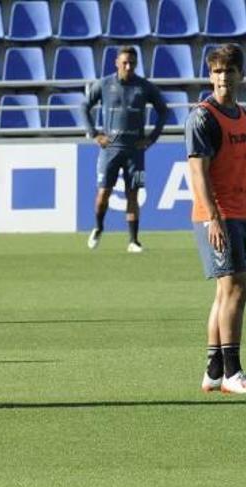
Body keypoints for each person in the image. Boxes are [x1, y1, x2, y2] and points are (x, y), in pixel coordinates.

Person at [185, 43, 246, 394]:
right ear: (210, 75)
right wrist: (214, 218)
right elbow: (198, 173)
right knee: (236, 288)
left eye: (229, 71)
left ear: (240, 75)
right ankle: (233, 372)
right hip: (218, 215)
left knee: (226, 290)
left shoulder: (241, 114)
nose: (223, 77)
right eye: (217, 71)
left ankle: (213, 369)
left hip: (239, 211)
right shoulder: (203, 116)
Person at [81, 45, 168, 253]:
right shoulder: (104, 84)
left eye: (132, 63)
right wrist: (94, 134)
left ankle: (133, 241)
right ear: (116, 63)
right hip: (110, 150)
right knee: (103, 194)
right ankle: (99, 227)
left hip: (135, 151)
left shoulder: (144, 87)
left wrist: (152, 137)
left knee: (133, 194)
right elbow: (84, 107)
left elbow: (163, 111)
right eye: (125, 63)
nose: (128, 66)